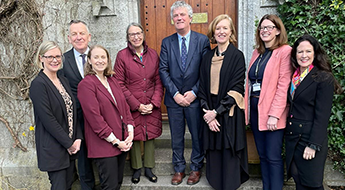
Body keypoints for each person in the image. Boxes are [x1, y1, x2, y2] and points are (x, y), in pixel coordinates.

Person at [159, 0, 210, 186]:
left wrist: (194, 92)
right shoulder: (167, 42)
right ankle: (179, 168)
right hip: (174, 101)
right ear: (173, 20)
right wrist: (175, 94)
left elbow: (205, 70)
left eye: (182, 15)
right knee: (176, 136)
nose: (179, 18)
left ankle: (196, 167)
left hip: (195, 99)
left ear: (190, 18)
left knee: (197, 135)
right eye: (175, 16)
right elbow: (163, 70)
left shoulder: (202, 41)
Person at [198, 14, 249, 190]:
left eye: (225, 28)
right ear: (214, 31)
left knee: (228, 149)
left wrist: (217, 112)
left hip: (228, 112)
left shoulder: (237, 56)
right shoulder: (207, 57)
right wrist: (208, 114)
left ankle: (229, 184)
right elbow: (202, 88)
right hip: (210, 110)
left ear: (231, 32)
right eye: (218, 28)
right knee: (214, 150)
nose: (221, 31)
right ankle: (216, 182)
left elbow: (237, 88)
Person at [285, 34, 341, 190]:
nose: (304, 56)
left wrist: (313, 144)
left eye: (308, 51)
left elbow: (322, 116)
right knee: (297, 177)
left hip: (309, 138)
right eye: (300, 52)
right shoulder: (294, 77)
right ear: (295, 54)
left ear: (315, 53)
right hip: (293, 137)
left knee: (312, 184)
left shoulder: (324, 78)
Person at [244, 14, 292, 190]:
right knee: (262, 155)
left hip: (273, 113)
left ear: (278, 30)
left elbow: (283, 85)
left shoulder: (285, 51)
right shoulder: (257, 52)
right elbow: (250, 83)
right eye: (262, 28)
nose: (264, 31)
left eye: (269, 27)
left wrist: (275, 115)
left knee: (273, 156)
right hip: (256, 110)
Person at [77, 45, 134, 190]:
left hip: (122, 141)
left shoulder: (113, 80)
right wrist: (115, 141)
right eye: (96, 57)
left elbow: (125, 108)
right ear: (89, 60)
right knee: (110, 186)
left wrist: (130, 133)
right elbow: (95, 118)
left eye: (103, 57)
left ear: (108, 60)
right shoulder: (86, 84)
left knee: (118, 183)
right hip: (104, 144)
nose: (100, 60)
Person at [114, 22, 163, 184]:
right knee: (133, 134)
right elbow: (119, 83)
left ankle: (148, 167)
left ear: (143, 34)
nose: (136, 37)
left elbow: (158, 80)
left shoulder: (153, 54)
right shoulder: (122, 56)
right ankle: (136, 168)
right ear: (128, 38)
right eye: (131, 34)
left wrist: (154, 103)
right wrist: (136, 105)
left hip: (150, 102)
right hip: (132, 104)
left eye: (138, 33)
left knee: (150, 134)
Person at [29, 41, 82, 190]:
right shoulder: (38, 84)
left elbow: (73, 111)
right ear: (41, 58)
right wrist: (69, 143)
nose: (55, 60)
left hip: (70, 147)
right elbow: (48, 120)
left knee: (68, 185)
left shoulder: (63, 80)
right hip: (54, 148)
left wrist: (77, 137)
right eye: (50, 56)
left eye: (58, 56)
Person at [59, 20, 96, 190]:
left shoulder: (99, 56)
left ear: (89, 36)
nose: (78, 37)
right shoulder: (62, 60)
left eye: (82, 33)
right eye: (74, 34)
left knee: (103, 152)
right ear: (69, 38)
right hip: (77, 118)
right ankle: (87, 186)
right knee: (82, 157)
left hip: (98, 116)